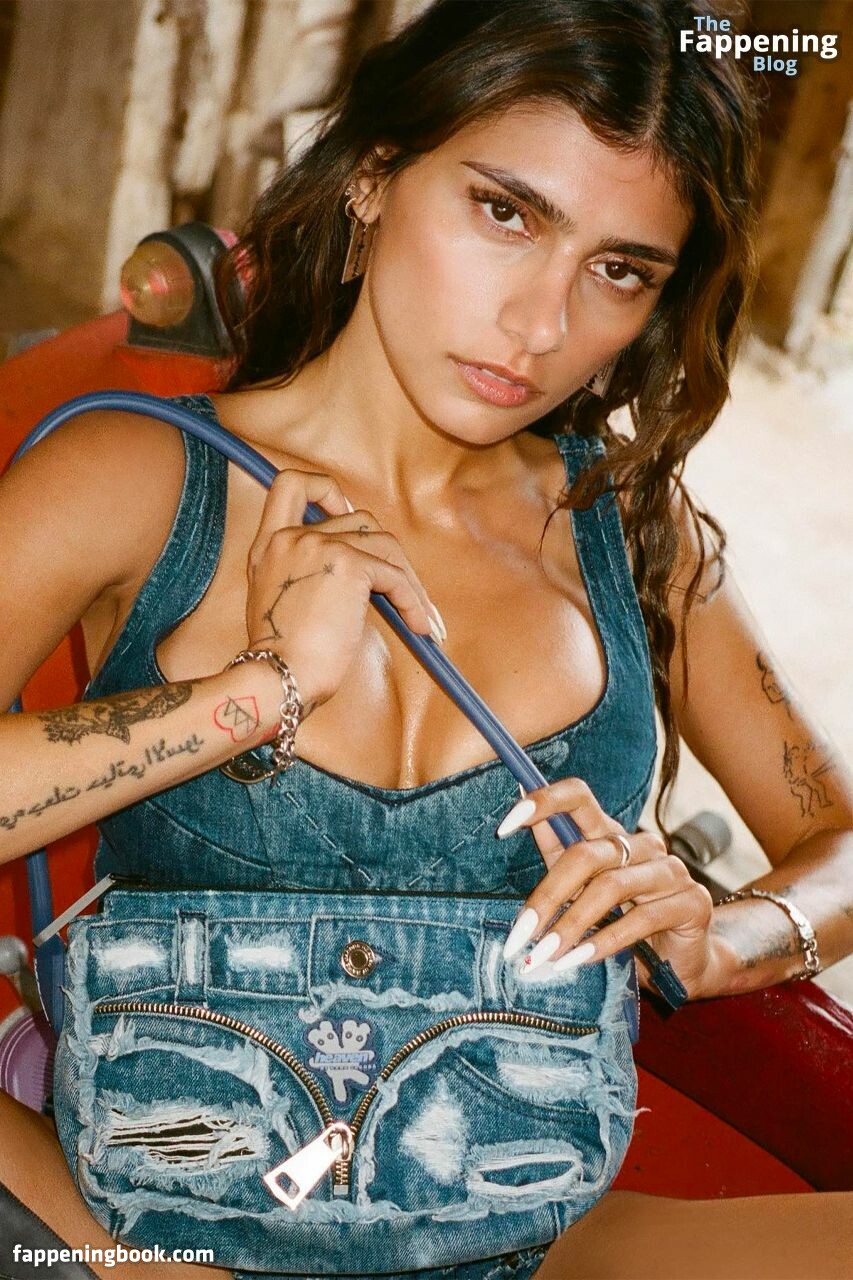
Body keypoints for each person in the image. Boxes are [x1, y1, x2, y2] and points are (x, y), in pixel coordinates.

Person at [0, 1, 851, 1277]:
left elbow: (837, 840)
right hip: (148, 1230)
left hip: (524, 1226)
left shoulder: (626, 527)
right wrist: (257, 692)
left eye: (620, 270)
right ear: (375, 177)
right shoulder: (133, 477)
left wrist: (726, 936)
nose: (541, 323)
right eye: (506, 212)